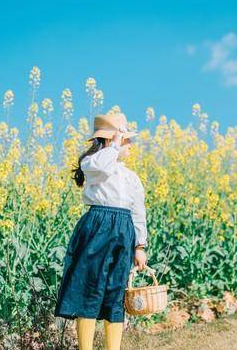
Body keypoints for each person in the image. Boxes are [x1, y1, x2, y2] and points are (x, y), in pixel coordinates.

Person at [53, 113, 149, 350]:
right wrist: (114, 145)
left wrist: (140, 246)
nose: (129, 144)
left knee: (115, 290)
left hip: (124, 229)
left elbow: (138, 211)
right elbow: (99, 164)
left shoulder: (130, 177)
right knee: (89, 287)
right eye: (126, 139)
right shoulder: (93, 164)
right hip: (98, 227)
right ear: (109, 141)